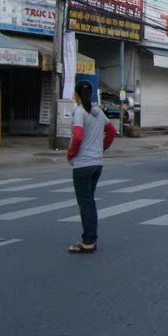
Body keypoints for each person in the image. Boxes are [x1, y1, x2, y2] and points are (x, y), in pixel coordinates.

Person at [66, 80, 117, 254]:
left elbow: (78, 136)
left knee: (85, 202)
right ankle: (90, 238)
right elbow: (111, 132)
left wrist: (71, 154)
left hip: (83, 164)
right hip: (97, 163)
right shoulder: (99, 112)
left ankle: (88, 241)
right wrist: (101, 148)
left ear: (76, 95)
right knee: (89, 201)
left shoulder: (80, 112)